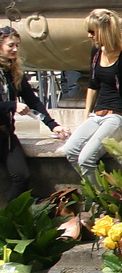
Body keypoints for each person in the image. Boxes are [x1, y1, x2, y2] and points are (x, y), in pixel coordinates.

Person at [61, 8, 122, 183]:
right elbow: (93, 85)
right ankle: (103, 189)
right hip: (97, 114)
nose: (89, 36)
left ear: (104, 31)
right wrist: (86, 116)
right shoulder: (96, 53)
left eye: (92, 32)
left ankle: (100, 200)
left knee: (86, 159)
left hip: (118, 116)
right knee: (70, 150)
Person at [0, 26, 70, 199]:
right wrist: (11, 105)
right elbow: (11, 105)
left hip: (5, 135)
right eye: (10, 45)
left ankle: (12, 219)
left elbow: (33, 101)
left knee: (22, 176)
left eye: (17, 45)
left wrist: (53, 125)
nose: (15, 49)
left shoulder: (13, 72)